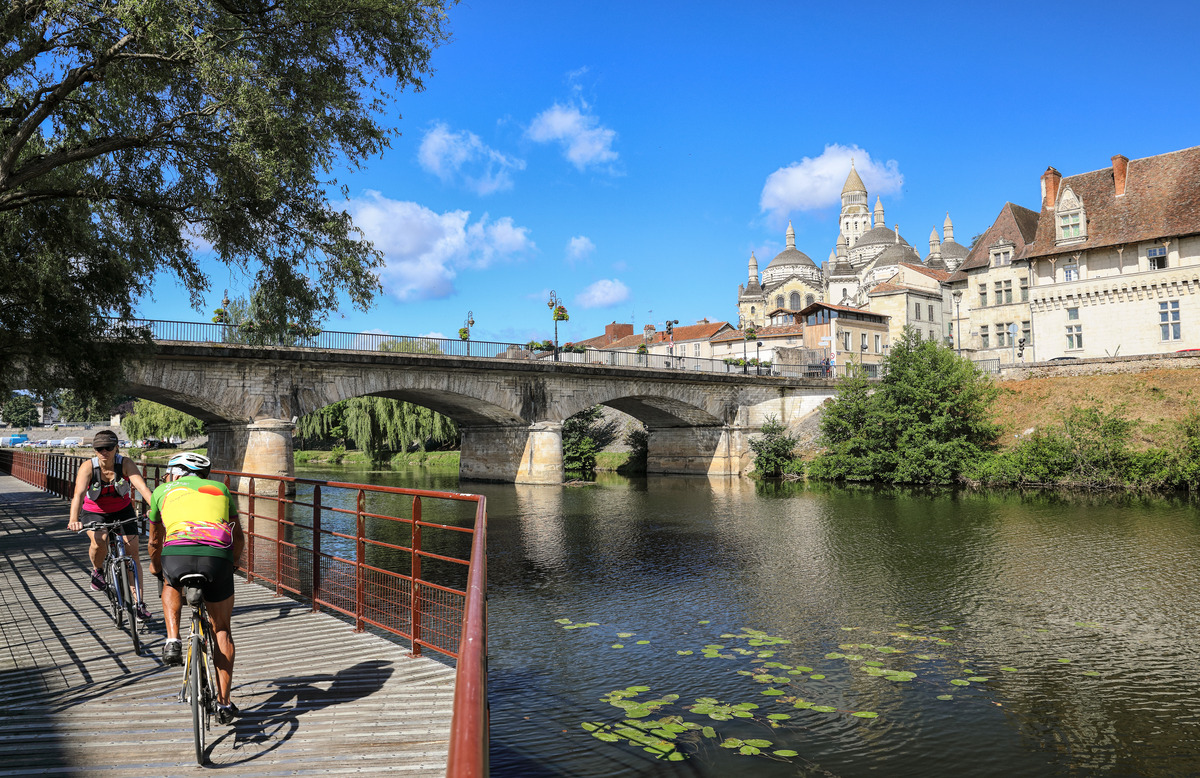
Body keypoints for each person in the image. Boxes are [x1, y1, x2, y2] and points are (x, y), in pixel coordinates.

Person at [147, 452, 244, 724]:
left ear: (176, 472)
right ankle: (224, 704)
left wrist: (156, 568)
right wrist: (232, 565)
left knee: (169, 581)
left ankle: (173, 639)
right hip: (217, 560)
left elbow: (155, 540)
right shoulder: (221, 489)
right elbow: (237, 537)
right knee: (222, 629)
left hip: (177, 556)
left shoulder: (162, 491)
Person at [67, 429, 156, 621]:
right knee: (101, 540)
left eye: (108, 447)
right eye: (99, 448)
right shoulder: (88, 467)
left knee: (133, 556)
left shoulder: (125, 464)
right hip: (94, 512)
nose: (103, 451)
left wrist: (155, 509)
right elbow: (79, 494)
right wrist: (74, 519)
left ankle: (139, 603)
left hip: (122, 510)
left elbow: (142, 488)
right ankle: (97, 570)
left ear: (117, 447)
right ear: (94, 450)